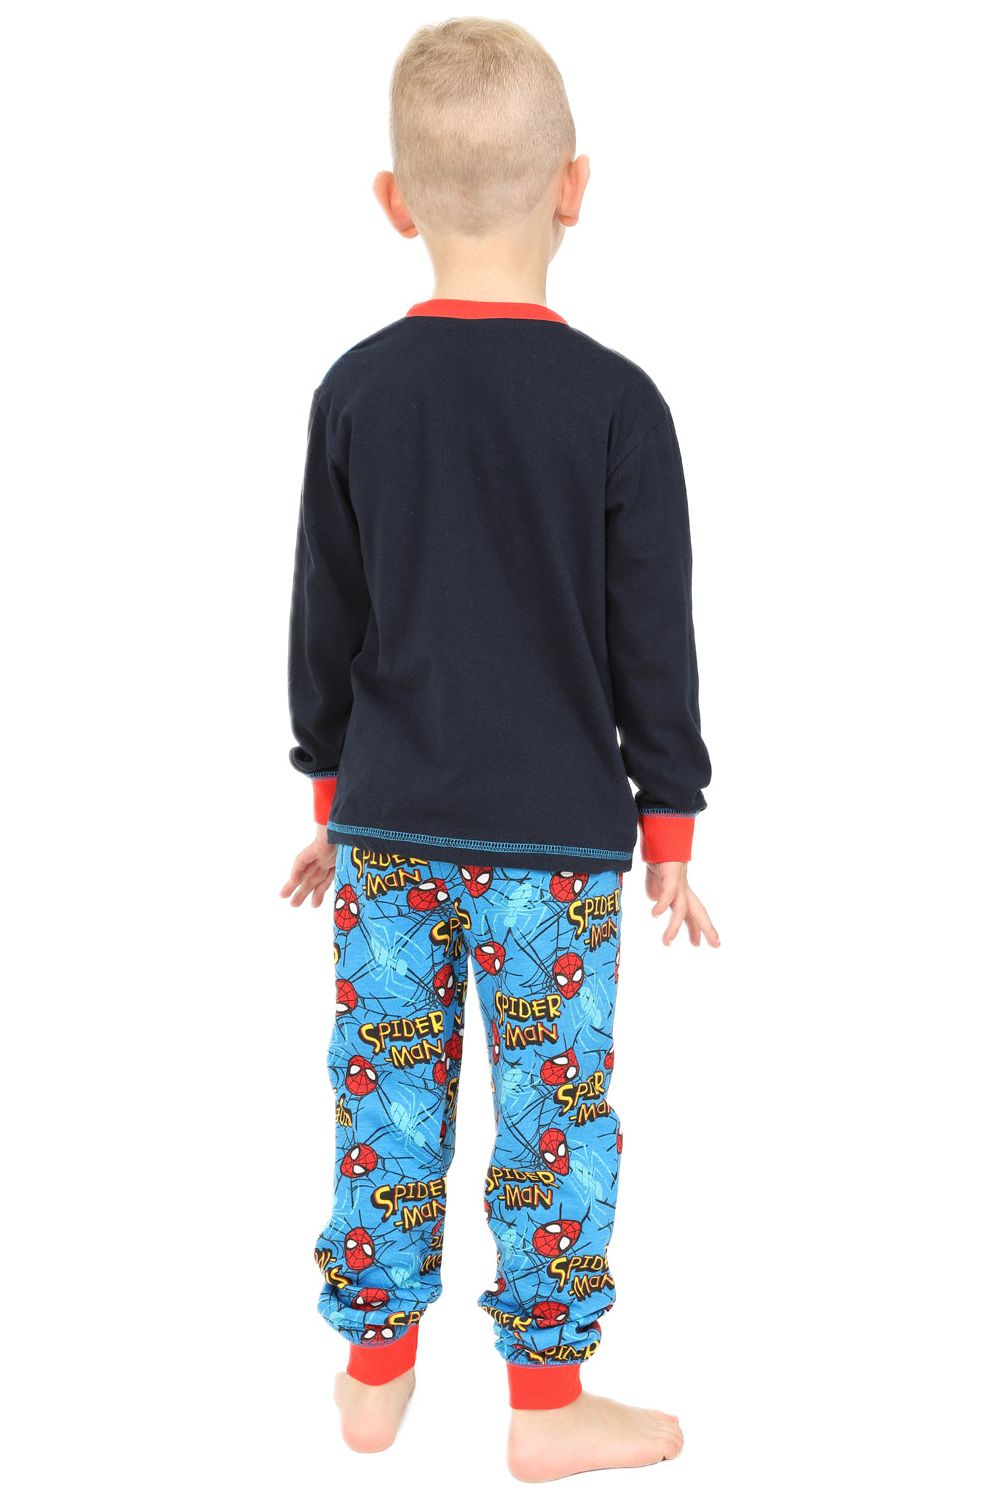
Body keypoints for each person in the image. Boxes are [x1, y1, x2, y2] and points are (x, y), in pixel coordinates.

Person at [279, 17, 720, 1482]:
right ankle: (545, 1404)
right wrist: (672, 820)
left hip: (390, 833)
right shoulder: (619, 404)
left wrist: (331, 788)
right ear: (575, 187)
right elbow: (652, 634)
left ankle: (374, 1377)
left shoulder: (357, 389)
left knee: (385, 1098)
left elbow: (326, 615)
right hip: (557, 849)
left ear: (394, 201)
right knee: (553, 1119)